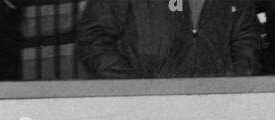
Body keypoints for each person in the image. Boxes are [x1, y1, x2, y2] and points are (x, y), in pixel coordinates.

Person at [77, 0, 262, 78]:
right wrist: (135, 88)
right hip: (144, 119)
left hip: (213, 116)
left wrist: (234, 85)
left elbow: (246, 38)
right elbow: (94, 37)